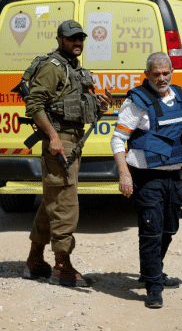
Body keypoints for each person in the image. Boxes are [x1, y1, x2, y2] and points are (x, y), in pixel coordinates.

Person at [111, 52, 182, 308]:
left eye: (165, 73)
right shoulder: (137, 102)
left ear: (171, 73)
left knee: (169, 228)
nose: (161, 78)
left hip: (174, 177)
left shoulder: (180, 97)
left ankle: (152, 271)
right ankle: (153, 286)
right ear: (147, 75)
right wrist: (124, 174)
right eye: (156, 74)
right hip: (147, 178)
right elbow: (118, 139)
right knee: (151, 232)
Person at [23, 20, 112, 287]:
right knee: (65, 205)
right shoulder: (53, 67)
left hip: (72, 138)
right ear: (60, 39)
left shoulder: (75, 69)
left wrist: (101, 107)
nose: (77, 42)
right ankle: (62, 267)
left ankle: (35, 261)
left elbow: (77, 108)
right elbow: (34, 103)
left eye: (80, 38)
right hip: (60, 140)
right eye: (72, 38)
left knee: (54, 199)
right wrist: (53, 138)